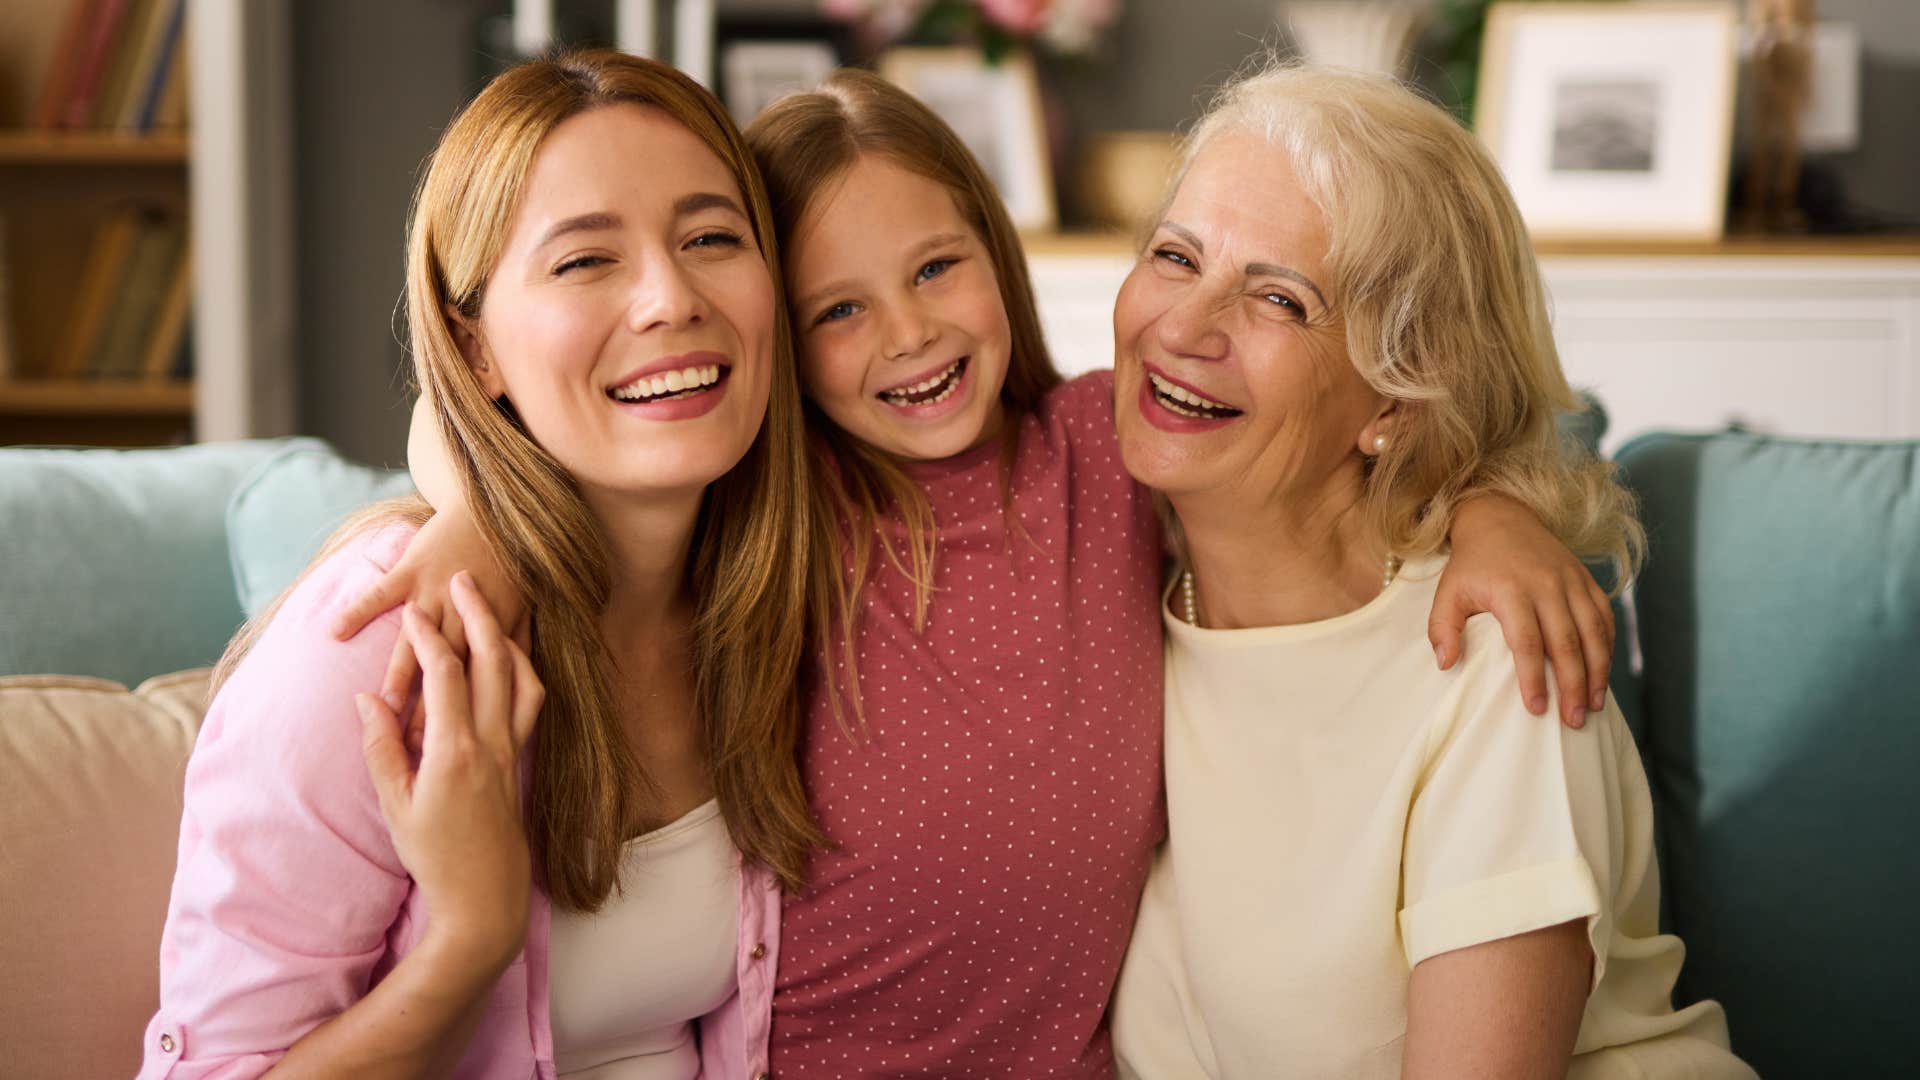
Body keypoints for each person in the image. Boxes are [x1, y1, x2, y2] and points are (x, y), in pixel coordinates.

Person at [337, 69, 1622, 1076]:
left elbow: (1394, 417)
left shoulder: (1108, 460)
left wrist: (1500, 513)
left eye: (938, 268)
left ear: (995, 253)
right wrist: (476, 514)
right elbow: (551, 419)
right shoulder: (774, 509)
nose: (906, 333)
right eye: (835, 311)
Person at [138, 51, 822, 1079]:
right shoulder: (385, 645)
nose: (671, 298)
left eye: (713, 238)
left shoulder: (778, 606)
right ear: (476, 351)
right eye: (586, 260)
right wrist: (465, 942)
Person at [1108, 63, 1756, 1078]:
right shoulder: (1095, 581)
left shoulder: (1499, 663)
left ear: (1395, 401)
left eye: (1279, 297)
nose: (1182, 329)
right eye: (1174, 256)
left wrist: (1493, 510)